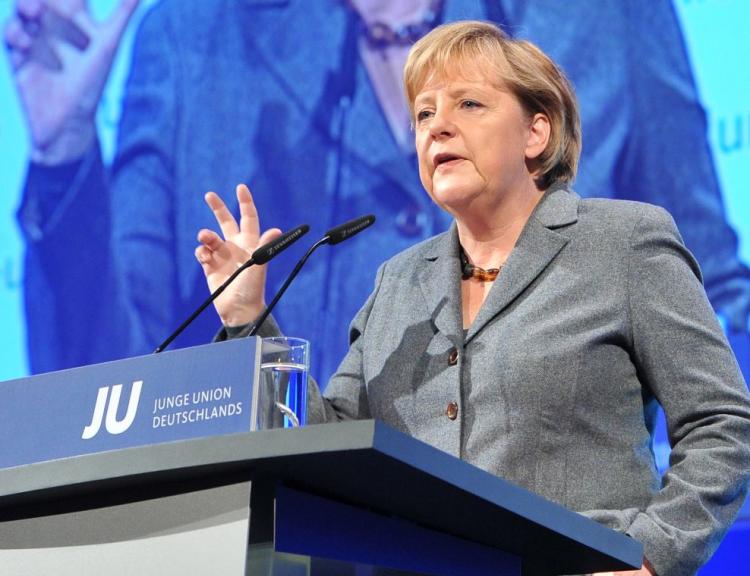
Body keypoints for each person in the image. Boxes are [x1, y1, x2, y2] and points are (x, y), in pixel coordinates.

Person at [195, 21, 750, 576]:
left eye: (469, 104)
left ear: (536, 132)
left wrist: (651, 558)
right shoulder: (397, 283)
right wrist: (247, 318)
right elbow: (331, 445)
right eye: (423, 113)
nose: (437, 125)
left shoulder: (622, 243)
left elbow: (723, 423)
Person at [7, 0, 750, 384]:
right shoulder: (193, 39)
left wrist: (662, 532)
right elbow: (114, 373)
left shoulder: (601, 18)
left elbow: (714, 306)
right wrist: (63, 155)